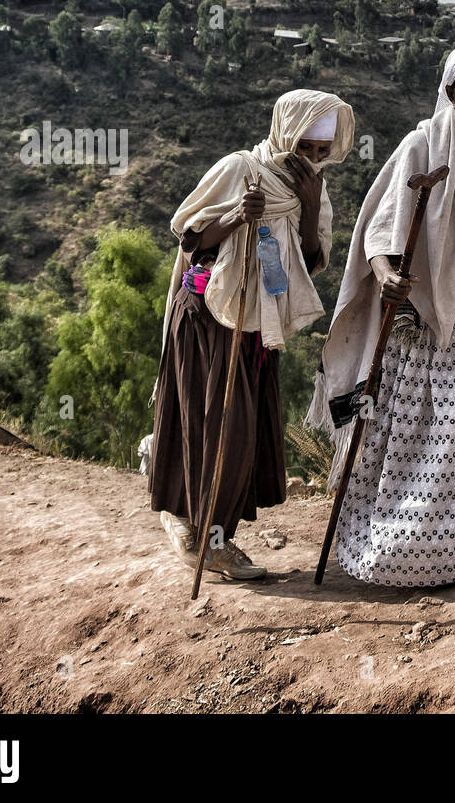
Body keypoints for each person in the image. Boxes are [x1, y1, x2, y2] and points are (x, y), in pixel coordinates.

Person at [307, 42, 455, 587]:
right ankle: (399, 546)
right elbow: (379, 229)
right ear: (450, 91)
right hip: (421, 313)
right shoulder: (421, 146)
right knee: (413, 429)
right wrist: (385, 274)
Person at [149, 89, 355, 579]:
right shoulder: (239, 168)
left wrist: (306, 202)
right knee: (215, 425)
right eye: (306, 148)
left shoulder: (314, 190)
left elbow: (310, 261)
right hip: (208, 319)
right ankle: (202, 533)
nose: (312, 160)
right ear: (286, 133)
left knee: (240, 432)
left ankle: (213, 534)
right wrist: (236, 215)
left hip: (259, 323)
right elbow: (190, 237)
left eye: (322, 152)